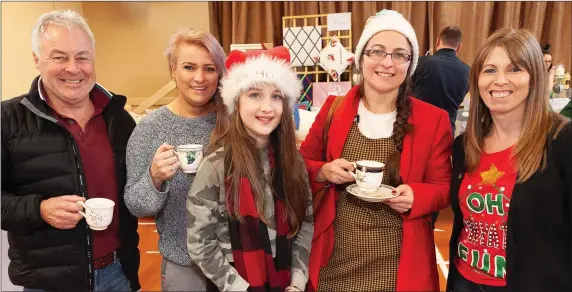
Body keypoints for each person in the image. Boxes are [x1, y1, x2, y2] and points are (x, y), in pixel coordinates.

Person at [299, 9, 452, 291]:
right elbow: (300, 166)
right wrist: (323, 170)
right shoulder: (333, 110)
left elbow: (443, 187)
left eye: (399, 55)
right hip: (334, 261)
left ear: (410, 64)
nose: (387, 63)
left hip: (397, 265)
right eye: (377, 52)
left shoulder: (434, 120)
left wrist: (417, 196)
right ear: (361, 58)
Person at [1, 10, 140, 291]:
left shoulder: (118, 117)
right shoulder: (7, 120)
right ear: (37, 60)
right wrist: (40, 209)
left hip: (117, 274)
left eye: (82, 57)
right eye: (59, 57)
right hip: (48, 283)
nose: (73, 68)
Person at [447, 28, 572, 291]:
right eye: (490, 70)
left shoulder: (562, 140)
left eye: (514, 69)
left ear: (534, 77)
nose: (500, 80)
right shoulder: (464, 145)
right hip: (464, 281)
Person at [187, 47, 314, 292]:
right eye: (255, 95)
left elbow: (305, 223)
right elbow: (199, 242)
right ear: (236, 101)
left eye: (276, 96)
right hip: (237, 284)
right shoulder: (216, 165)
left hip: (286, 282)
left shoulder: (293, 162)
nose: (267, 107)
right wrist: (238, 288)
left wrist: (298, 282)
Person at [123, 28, 227, 291]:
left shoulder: (234, 121)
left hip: (238, 261)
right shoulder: (150, 129)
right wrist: (154, 178)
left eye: (210, 68)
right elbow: (136, 205)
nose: (199, 78)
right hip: (183, 265)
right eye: (189, 67)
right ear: (173, 70)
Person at [412, 25, 470, 135]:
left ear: (438, 41)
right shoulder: (468, 72)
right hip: (446, 131)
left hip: (417, 129)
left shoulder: (419, 63)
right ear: (459, 47)